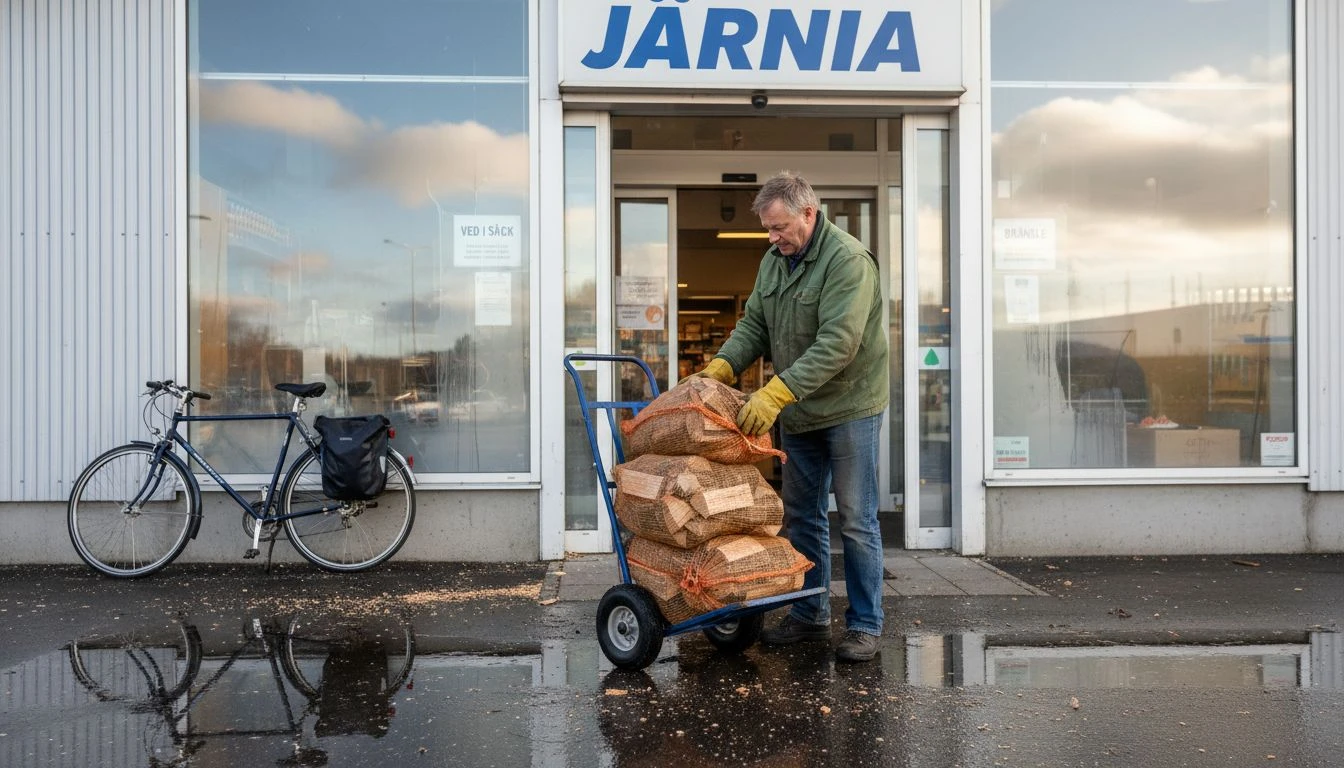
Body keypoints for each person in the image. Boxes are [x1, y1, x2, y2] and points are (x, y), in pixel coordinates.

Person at [682, 171, 889, 663]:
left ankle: (864, 624)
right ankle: (809, 615)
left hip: (849, 406)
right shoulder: (775, 262)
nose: (773, 239)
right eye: (768, 230)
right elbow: (755, 323)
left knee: (857, 520)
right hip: (800, 409)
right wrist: (722, 365)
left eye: (779, 228)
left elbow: (838, 344)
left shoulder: (848, 262)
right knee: (801, 515)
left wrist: (775, 394)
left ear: (809, 214)